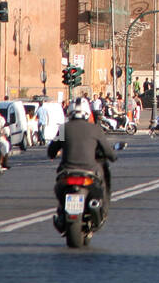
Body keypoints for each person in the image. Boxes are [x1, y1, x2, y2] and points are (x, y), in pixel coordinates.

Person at [48, 97, 118, 231]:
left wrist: (54, 153)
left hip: (66, 174)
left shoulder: (64, 129)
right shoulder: (95, 129)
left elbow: (52, 150)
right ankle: (98, 209)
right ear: (87, 112)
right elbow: (107, 150)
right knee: (102, 184)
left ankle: (63, 212)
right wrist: (113, 156)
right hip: (89, 173)